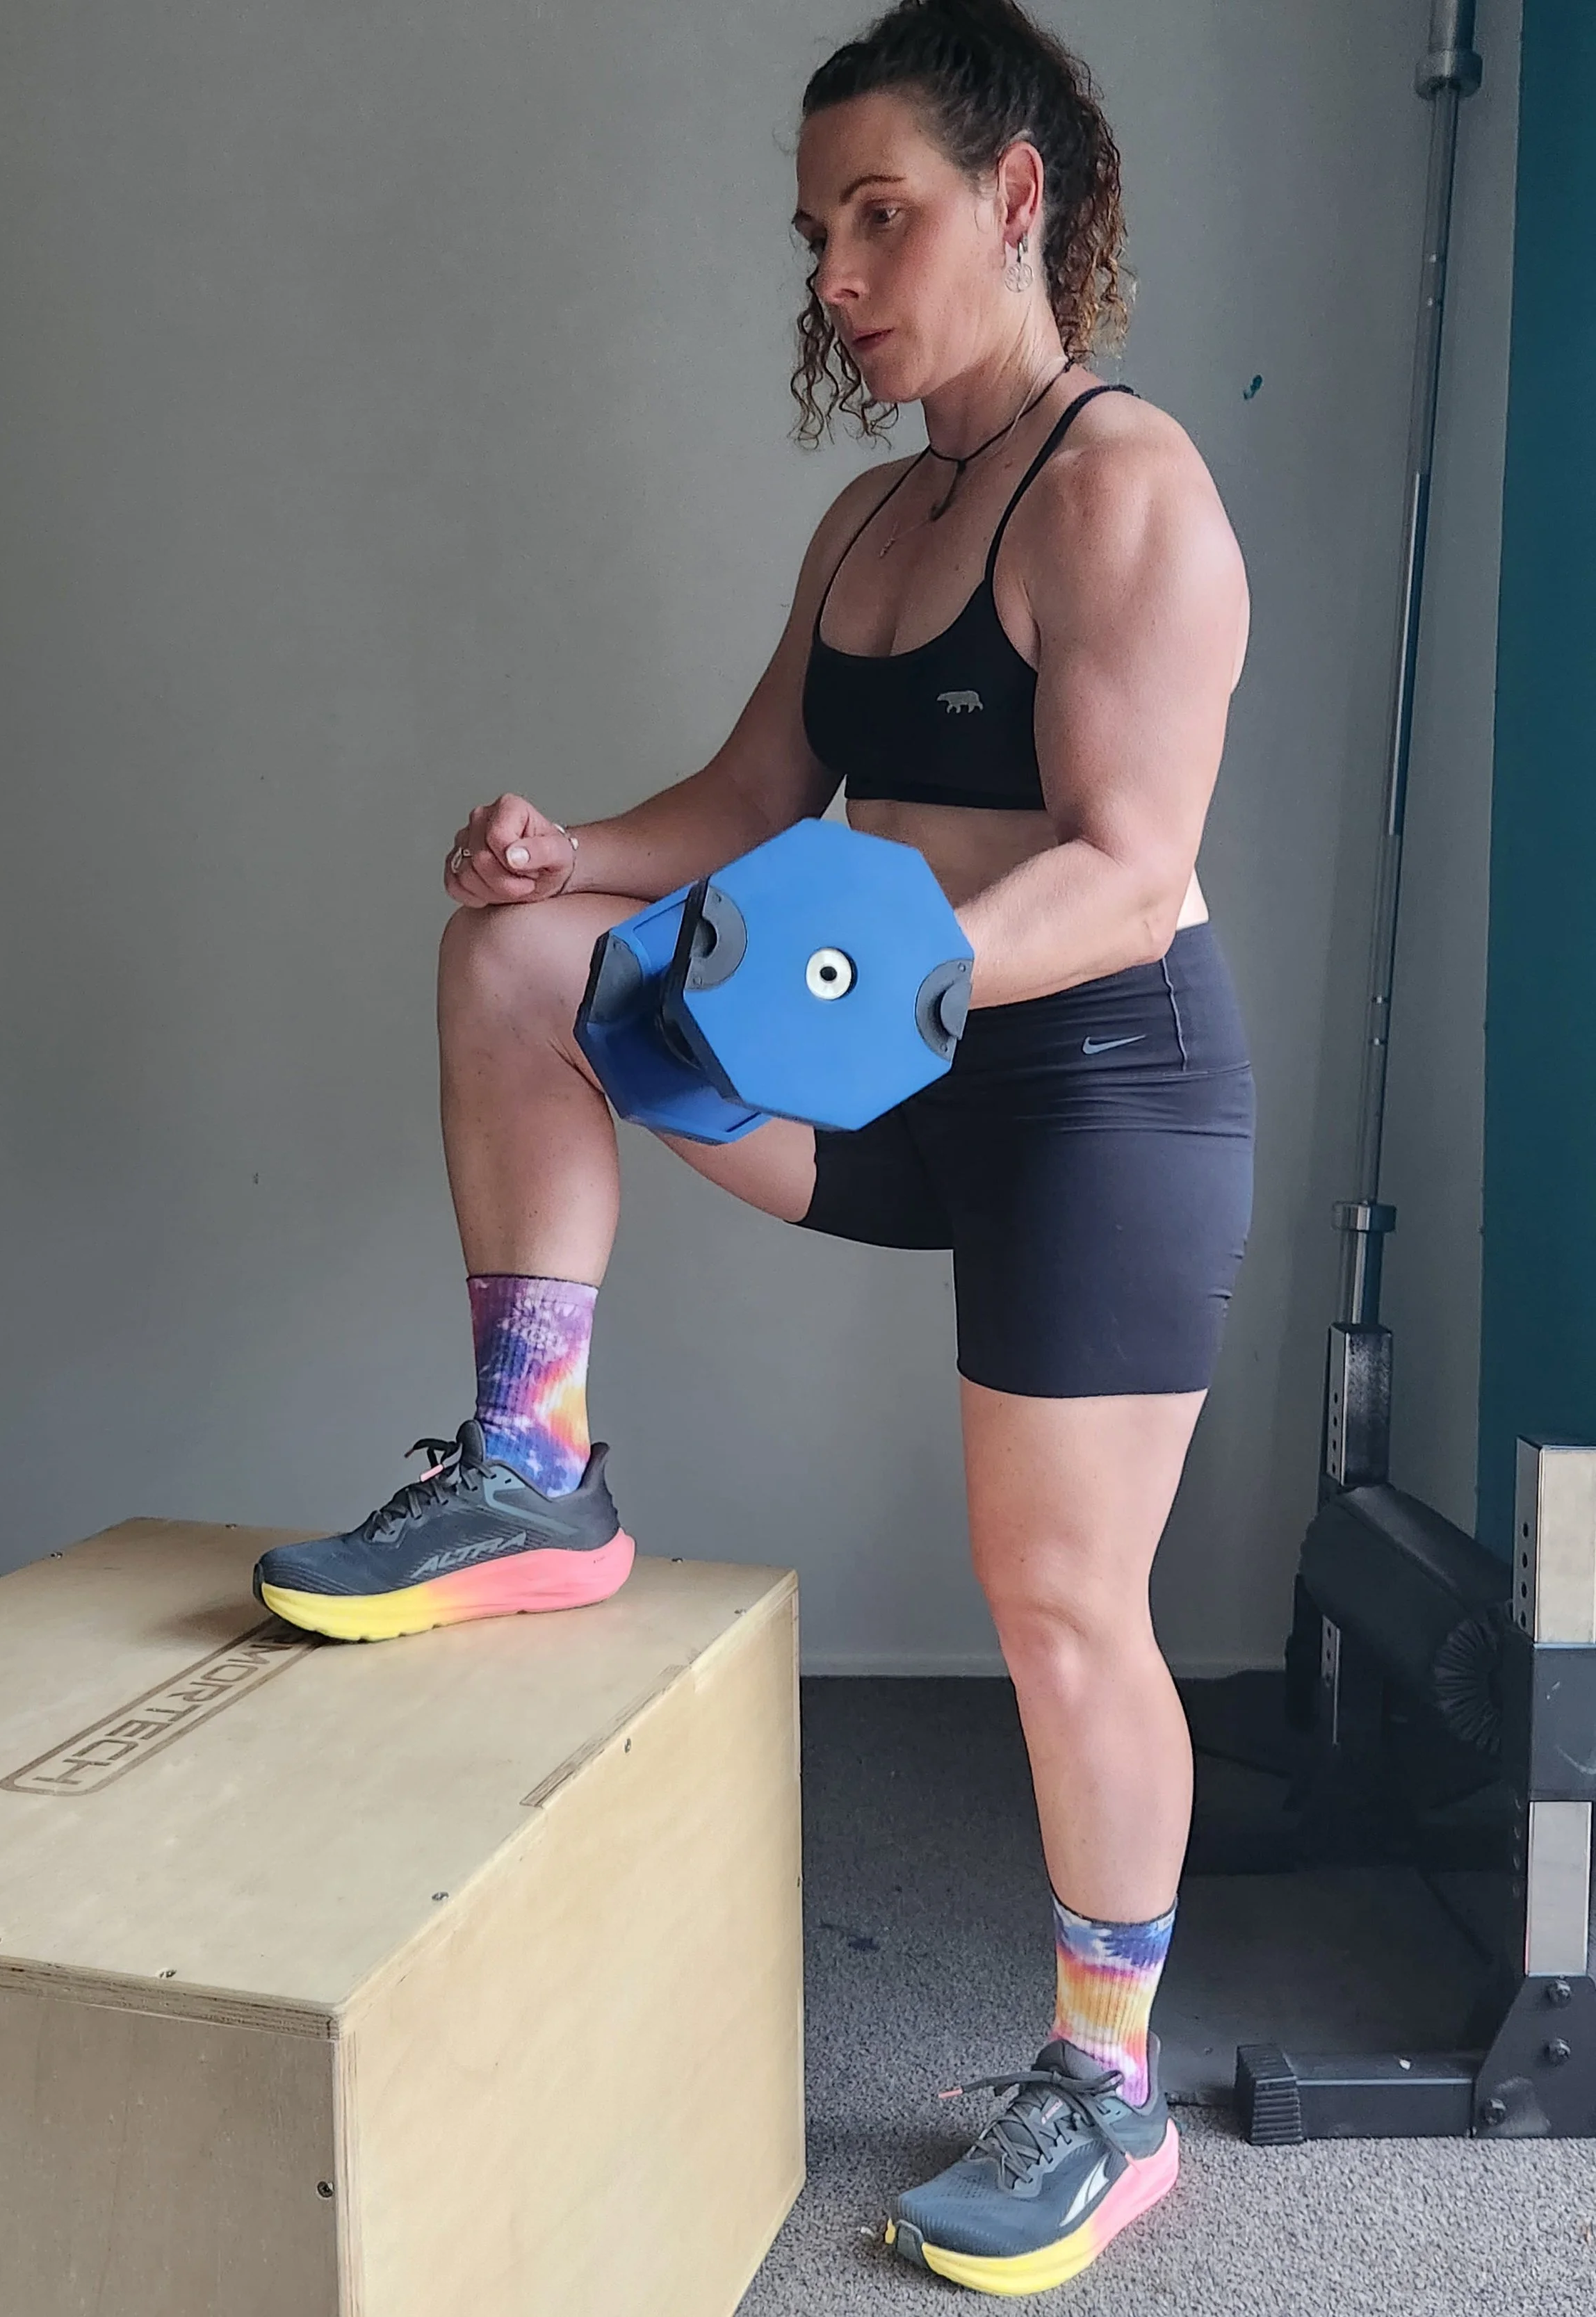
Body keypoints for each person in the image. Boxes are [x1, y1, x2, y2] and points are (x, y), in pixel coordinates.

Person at [254, 0, 1254, 2294]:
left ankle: (1106, 2083)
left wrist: (860, 993)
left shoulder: (1123, 489)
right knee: (524, 969)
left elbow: (1121, 863)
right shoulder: (871, 518)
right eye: (817, 231)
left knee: (1050, 1595)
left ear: (1018, 201)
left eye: (879, 216)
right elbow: (743, 806)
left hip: (1095, 1086)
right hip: (882, 1048)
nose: (834, 272)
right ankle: (537, 1464)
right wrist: (567, 849)